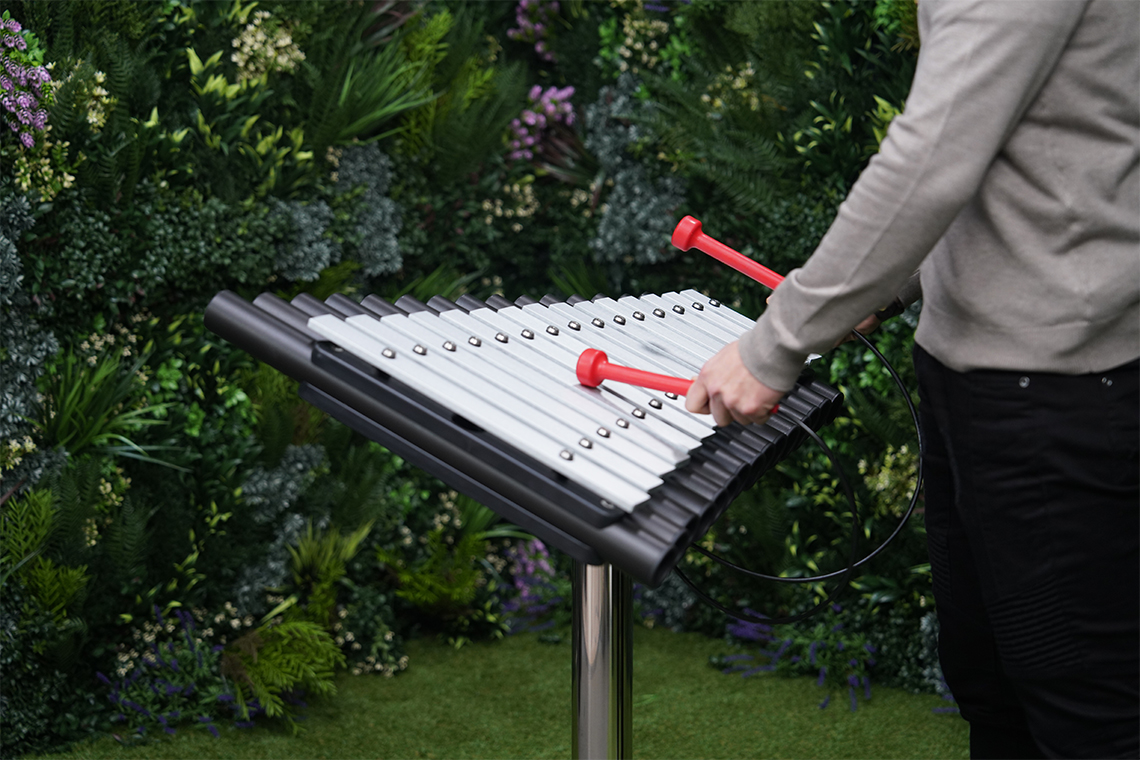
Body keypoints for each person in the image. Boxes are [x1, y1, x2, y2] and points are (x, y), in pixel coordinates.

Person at [684, 1, 1139, 757]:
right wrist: (886, 286)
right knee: (992, 689)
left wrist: (777, 343)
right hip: (991, 383)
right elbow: (1009, 140)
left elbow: (933, 154)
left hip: (1052, 391)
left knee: (1086, 715)